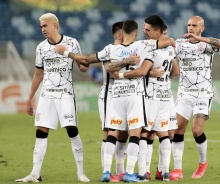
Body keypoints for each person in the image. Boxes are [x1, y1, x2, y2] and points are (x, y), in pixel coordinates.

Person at [55, 21, 139, 182]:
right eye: (125, 33)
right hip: (109, 94)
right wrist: (67, 53)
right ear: (119, 34)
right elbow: (88, 59)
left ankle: (119, 170)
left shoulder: (132, 49)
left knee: (124, 134)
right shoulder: (109, 50)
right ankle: (105, 170)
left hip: (126, 95)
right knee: (109, 133)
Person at [15, 13, 90, 183]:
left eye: (45, 26)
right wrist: (29, 98)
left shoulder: (72, 42)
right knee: (41, 131)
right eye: (41, 26)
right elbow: (38, 74)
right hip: (47, 94)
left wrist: (68, 53)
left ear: (55, 25)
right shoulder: (41, 47)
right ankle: (35, 174)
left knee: (72, 130)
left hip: (65, 93)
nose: (42, 29)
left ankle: (81, 172)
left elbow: (84, 66)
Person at [100, 19, 175, 183]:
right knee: (140, 133)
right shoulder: (143, 46)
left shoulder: (111, 49)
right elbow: (144, 70)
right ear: (135, 32)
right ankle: (134, 172)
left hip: (116, 95)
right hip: (140, 95)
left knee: (112, 133)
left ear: (121, 33)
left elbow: (100, 64)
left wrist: (66, 54)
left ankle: (106, 171)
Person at [170, 15, 220, 180]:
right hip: (184, 93)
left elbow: (219, 43)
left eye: (194, 25)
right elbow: (168, 54)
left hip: (203, 92)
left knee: (196, 130)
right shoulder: (179, 44)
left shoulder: (207, 45)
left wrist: (199, 38)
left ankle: (202, 163)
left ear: (202, 28)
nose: (190, 28)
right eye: (188, 25)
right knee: (177, 130)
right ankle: (177, 169)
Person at [135, 16, 179, 182]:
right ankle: (164, 172)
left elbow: (139, 71)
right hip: (165, 94)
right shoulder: (170, 50)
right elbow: (175, 72)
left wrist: (148, 73)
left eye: (148, 30)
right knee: (164, 133)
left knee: (144, 132)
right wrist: (164, 78)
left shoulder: (150, 49)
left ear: (158, 32)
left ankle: (143, 172)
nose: (145, 33)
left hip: (150, 95)